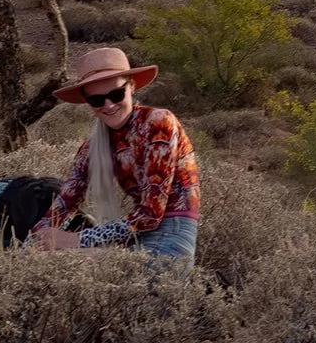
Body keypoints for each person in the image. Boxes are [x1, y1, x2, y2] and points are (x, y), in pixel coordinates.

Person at [26, 47, 201, 274]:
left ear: (132, 86)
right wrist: (32, 245)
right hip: (136, 237)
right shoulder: (95, 143)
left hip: (171, 234)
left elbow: (150, 214)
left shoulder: (159, 122)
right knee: (52, 267)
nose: (108, 105)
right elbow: (66, 200)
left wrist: (75, 239)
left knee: (78, 270)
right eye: (97, 100)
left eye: (116, 94)